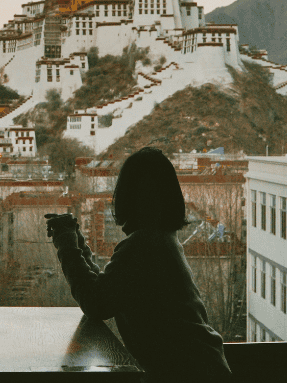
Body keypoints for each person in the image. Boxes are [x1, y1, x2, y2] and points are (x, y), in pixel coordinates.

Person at [45, 146, 233, 383]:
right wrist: (77, 242)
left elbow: (96, 302)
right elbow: (104, 288)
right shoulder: (162, 240)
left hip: (189, 374)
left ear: (130, 197)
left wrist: (66, 242)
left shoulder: (143, 245)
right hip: (201, 368)